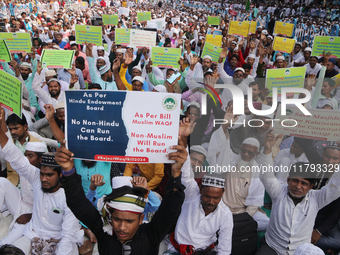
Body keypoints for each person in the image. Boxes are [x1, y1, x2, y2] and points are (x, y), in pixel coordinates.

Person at [54, 136, 187, 254]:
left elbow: (171, 208)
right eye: (117, 219)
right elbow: (77, 204)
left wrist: (176, 172)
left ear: (141, 219)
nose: (122, 228)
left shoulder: (152, 234)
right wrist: (68, 169)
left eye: (129, 221)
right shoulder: (104, 230)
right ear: (110, 216)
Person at [0, 107, 83, 254]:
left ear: (60, 175)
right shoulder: (36, 178)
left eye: (49, 175)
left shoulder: (69, 197)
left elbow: (68, 235)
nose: (43, 179)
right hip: (32, 235)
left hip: (58, 241)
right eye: (42, 174)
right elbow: (14, 156)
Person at [256, 130, 340, 255]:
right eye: (295, 181)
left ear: (311, 186)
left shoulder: (316, 199)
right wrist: (267, 149)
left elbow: (335, 188)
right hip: (273, 246)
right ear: (288, 180)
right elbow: (265, 175)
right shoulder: (278, 191)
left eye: (304, 183)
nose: (298, 186)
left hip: (300, 251)